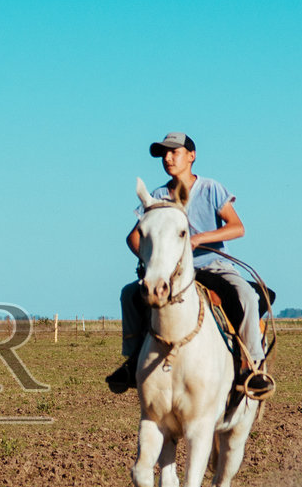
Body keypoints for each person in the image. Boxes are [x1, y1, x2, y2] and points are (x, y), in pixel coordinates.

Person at [106, 131, 273, 398]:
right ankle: (131, 362)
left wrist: (200, 239)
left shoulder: (211, 188)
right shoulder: (158, 194)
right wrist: (153, 260)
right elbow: (133, 237)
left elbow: (237, 227)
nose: (168, 158)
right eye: (164, 154)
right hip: (174, 273)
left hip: (212, 265)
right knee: (129, 294)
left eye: (174, 152)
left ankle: (252, 366)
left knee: (248, 296)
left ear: (192, 156)